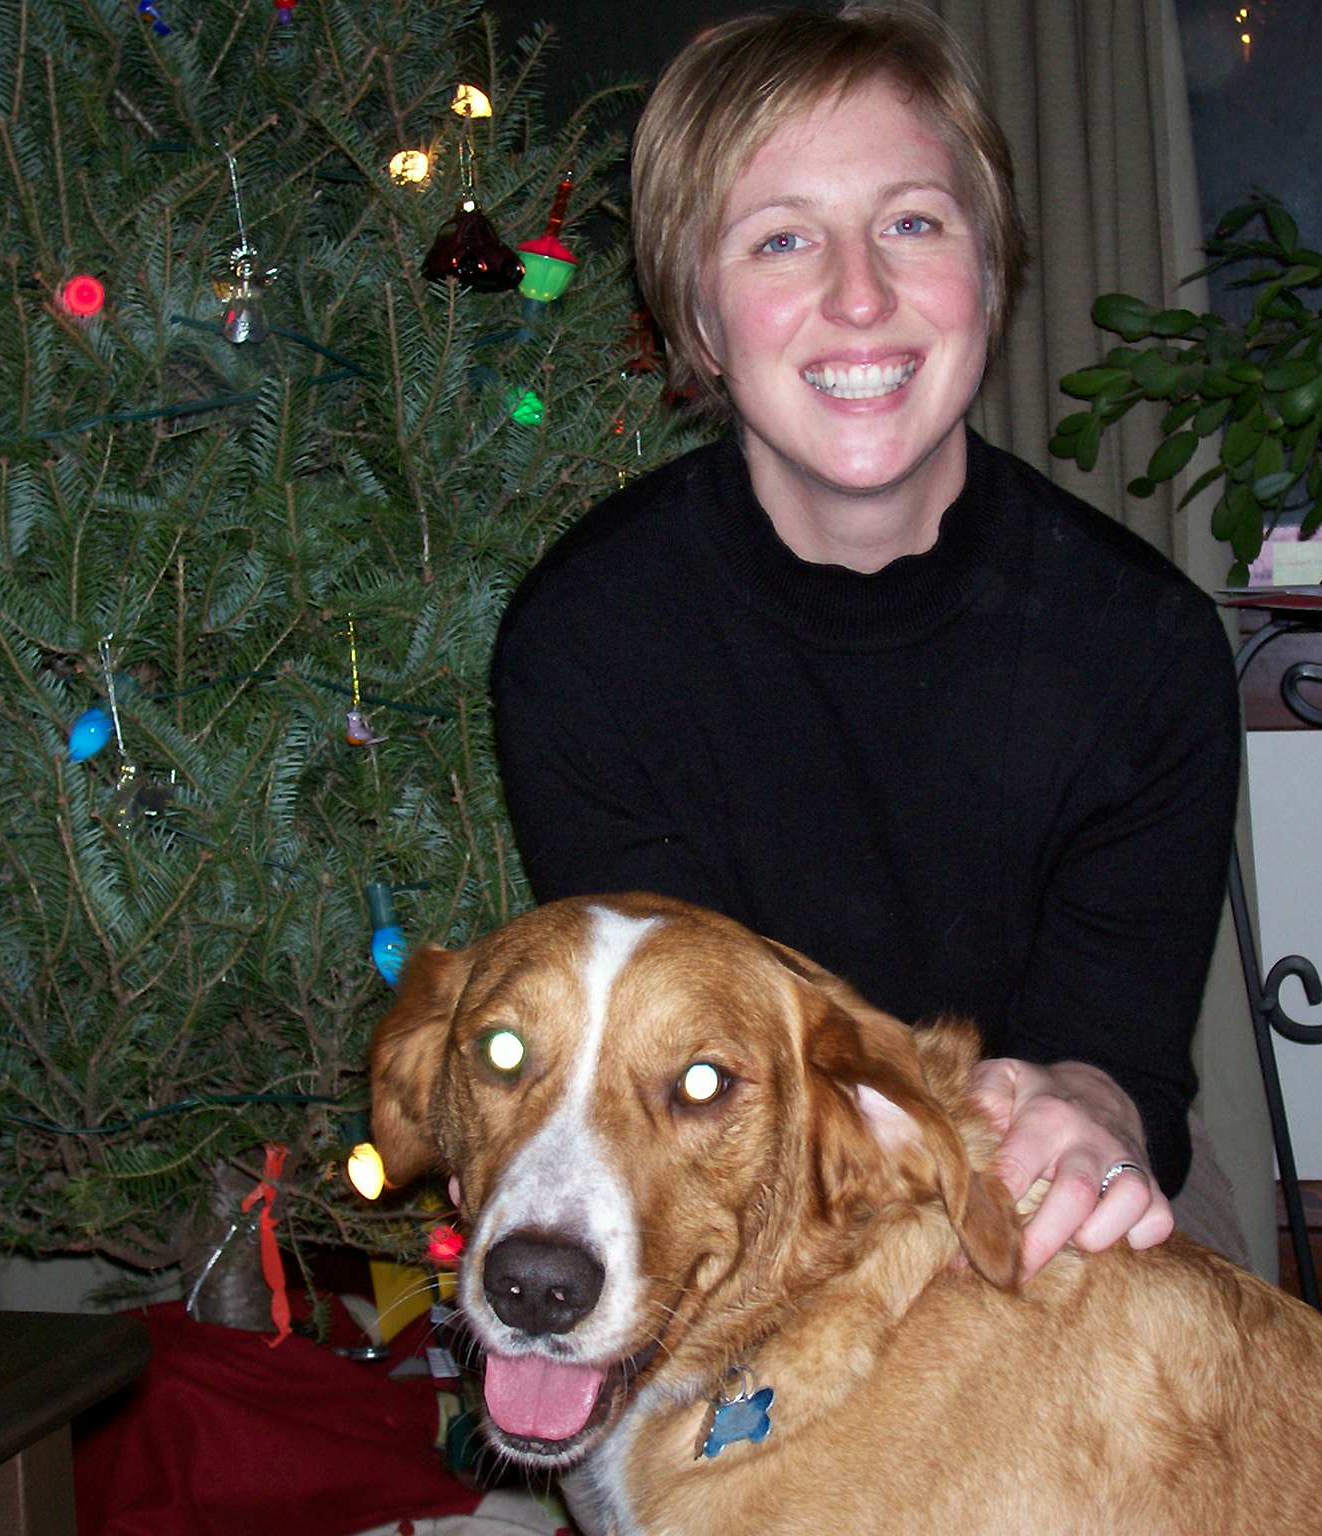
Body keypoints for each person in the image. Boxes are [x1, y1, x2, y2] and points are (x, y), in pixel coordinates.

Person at [490, 2, 1244, 1281]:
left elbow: (1117, 1059)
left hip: (1022, 1193)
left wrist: (1087, 1110)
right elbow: (676, 1082)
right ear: (697, 320)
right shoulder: (587, 643)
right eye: (781, 239)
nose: (858, 295)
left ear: (989, 275)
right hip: (722, 1192)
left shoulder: (1144, 649)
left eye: (911, 223)